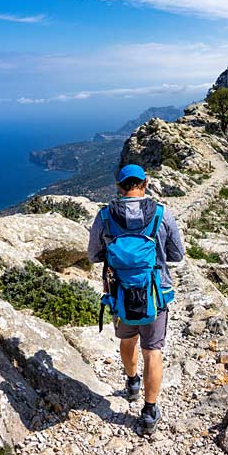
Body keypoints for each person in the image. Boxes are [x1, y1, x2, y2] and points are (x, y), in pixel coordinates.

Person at [88, 164, 185, 434]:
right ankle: (150, 411)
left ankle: (132, 383)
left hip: (120, 295)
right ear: (146, 183)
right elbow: (177, 255)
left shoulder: (105, 217)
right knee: (152, 350)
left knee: (127, 340)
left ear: (119, 187)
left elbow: (94, 255)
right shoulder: (162, 216)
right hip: (156, 295)